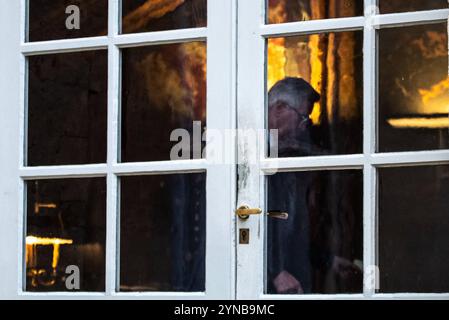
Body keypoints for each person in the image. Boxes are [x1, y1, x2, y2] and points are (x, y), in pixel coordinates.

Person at [267, 77, 361, 294]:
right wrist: (274, 272)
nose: (304, 127)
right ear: (279, 109)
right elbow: (246, 221)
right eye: (303, 117)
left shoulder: (290, 157)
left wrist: (329, 261)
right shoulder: (247, 152)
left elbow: (292, 236)